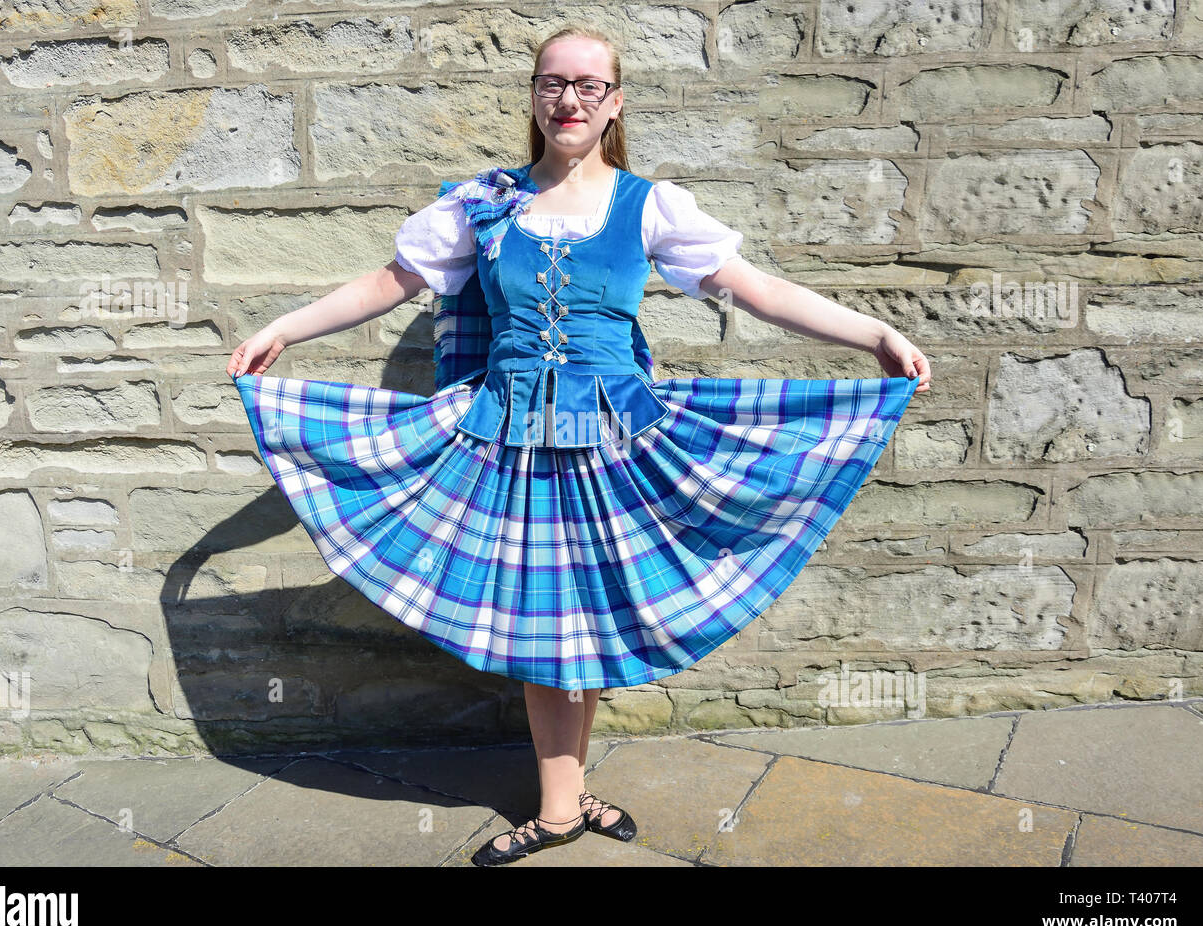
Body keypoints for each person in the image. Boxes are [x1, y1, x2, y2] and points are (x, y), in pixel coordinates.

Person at [226, 25, 932, 867]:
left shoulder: (649, 205)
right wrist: (283, 328)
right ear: (534, 95)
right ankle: (564, 806)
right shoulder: (484, 204)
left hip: (617, 441)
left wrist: (874, 334)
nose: (570, 99)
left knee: (585, 623)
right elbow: (393, 283)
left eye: (589, 86)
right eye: (554, 83)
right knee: (546, 630)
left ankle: (565, 799)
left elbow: (757, 289)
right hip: (511, 442)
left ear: (615, 102)